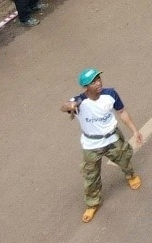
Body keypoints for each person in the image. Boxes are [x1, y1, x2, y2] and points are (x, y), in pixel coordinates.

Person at [61, 68, 143, 223]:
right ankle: (92, 203)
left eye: (98, 79)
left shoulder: (110, 94)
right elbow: (65, 106)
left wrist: (135, 130)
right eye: (93, 82)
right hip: (91, 145)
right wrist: (69, 106)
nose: (98, 83)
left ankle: (130, 175)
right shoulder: (79, 101)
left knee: (124, 159)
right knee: (90, 176)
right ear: (86, 86)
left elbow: (122, 112)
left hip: (112, 138)